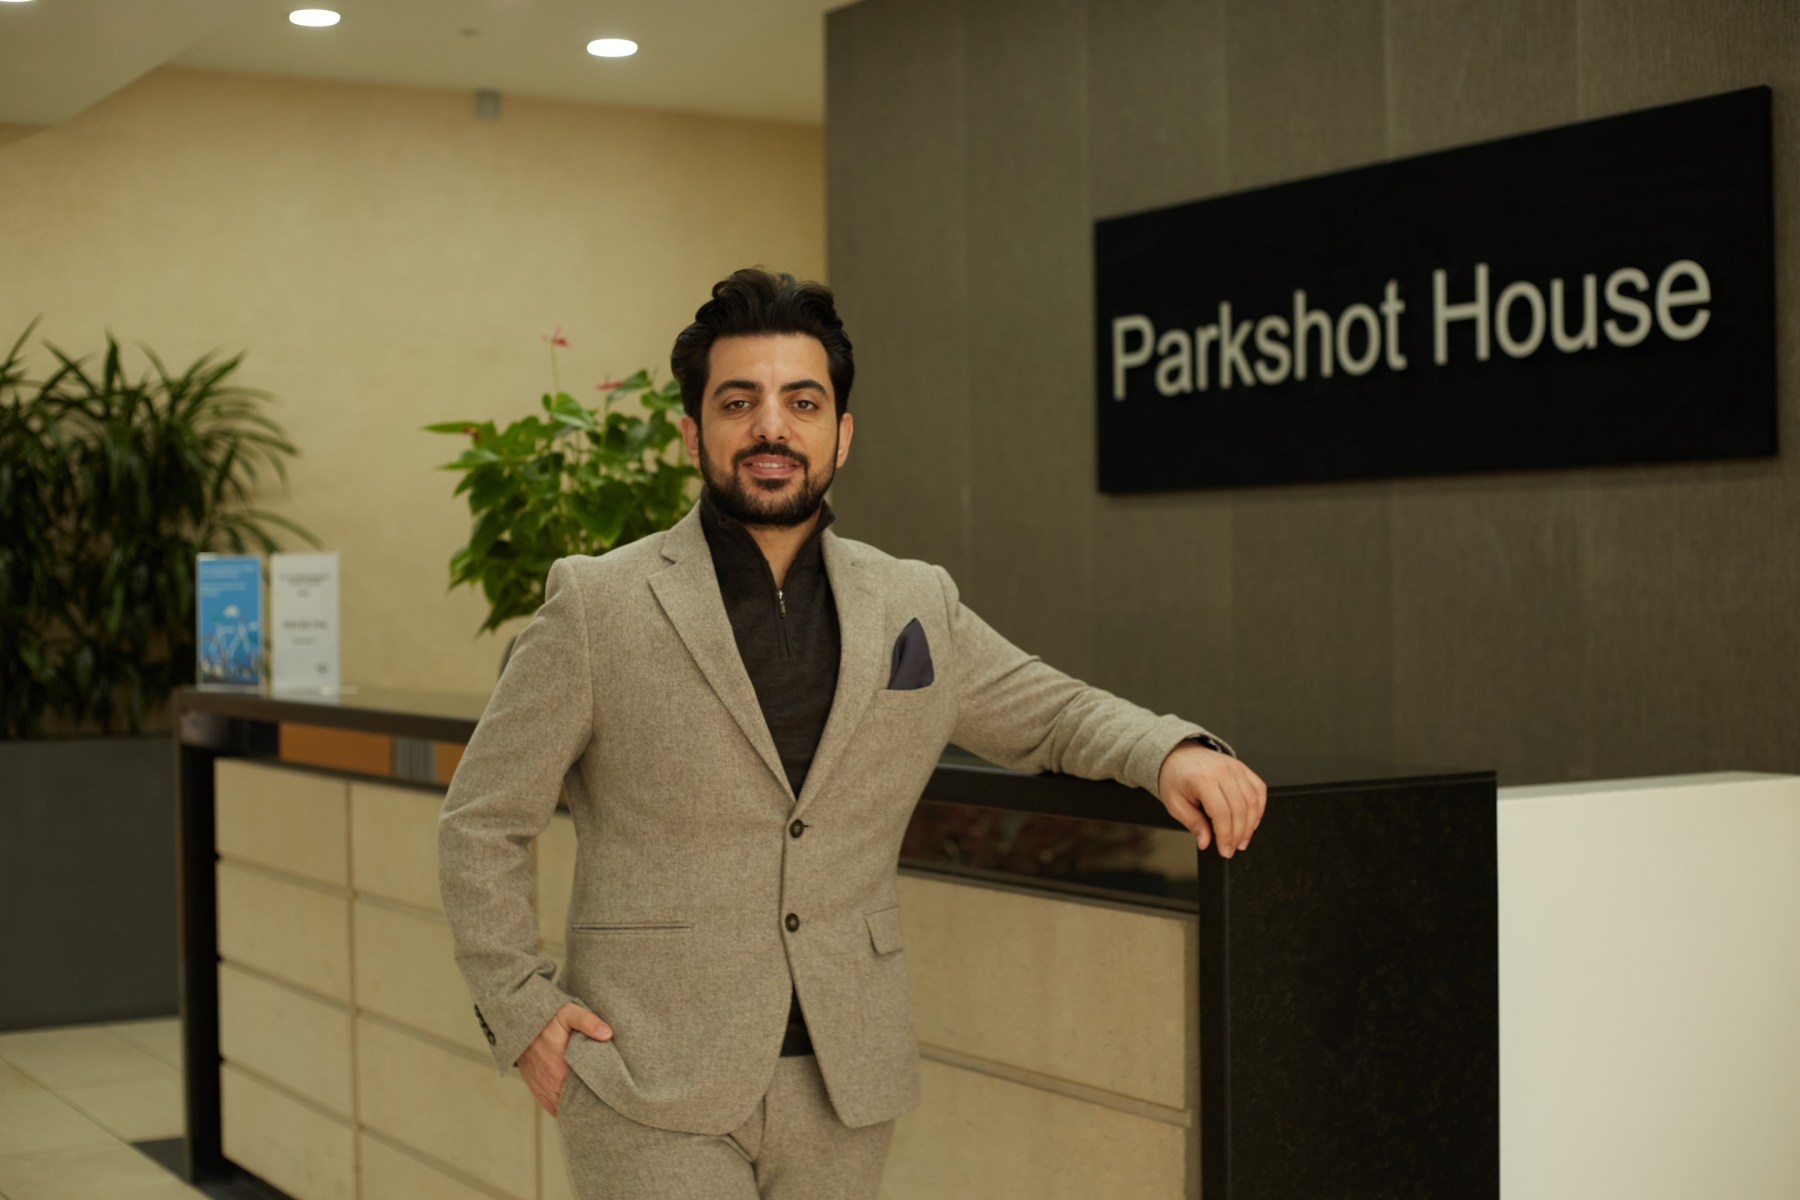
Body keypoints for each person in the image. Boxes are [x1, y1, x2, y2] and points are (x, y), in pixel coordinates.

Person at [437, 268, 1267, 1199]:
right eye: (738, 402)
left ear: (842, 433)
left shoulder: (914, 601)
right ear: (693, 433)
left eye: (803, 402)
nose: (772, 428)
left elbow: (1053, 712)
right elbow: (482, 819)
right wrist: (521, 1010)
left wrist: (1168, 750)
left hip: (845, 1077)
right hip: (645, 1073)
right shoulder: (598, 605)